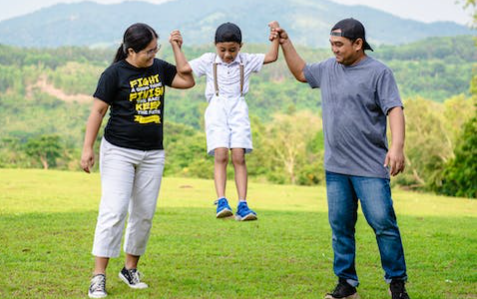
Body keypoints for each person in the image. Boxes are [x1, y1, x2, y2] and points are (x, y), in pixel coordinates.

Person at [273, 18, 410, 299]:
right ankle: (346, 285)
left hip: (370, 167)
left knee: (383, 224)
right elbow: (301, 72)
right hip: (336, 167)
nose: (334, 50)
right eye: (332, 44)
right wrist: (286, 43)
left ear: (358, 44)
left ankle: (397, 285)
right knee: (340, 227)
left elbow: (394, 109)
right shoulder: (328, 68)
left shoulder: (379, 72)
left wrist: (397, 147)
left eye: (339, 44)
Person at [80, 23, 195, 298]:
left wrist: (178, 48)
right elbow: (97, 111)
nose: (153, 55)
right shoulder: (114, 73)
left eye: (156, 49)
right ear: (130, 51)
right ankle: (98, 277)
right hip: (118, 150)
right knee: (114, 210)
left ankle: (129, 269)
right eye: (148, 51)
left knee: (143, 214)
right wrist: (88, 148)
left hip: (153, 153)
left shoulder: (159, 67)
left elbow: (188, 80)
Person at [187, 22, 280, 221]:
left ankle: (243, 204)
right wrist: (177, 46)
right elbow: (183, 68)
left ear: (241, 46)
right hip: (217, 106)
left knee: (239, 155)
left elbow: (272, 57)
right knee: (221, 154)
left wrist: (275, 38)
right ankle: (221, 200)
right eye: (223, 50)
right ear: (215, 45)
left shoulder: (246, 60)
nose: (227, 54)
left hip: (238, 106)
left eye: (232, 50)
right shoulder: (208, 60)